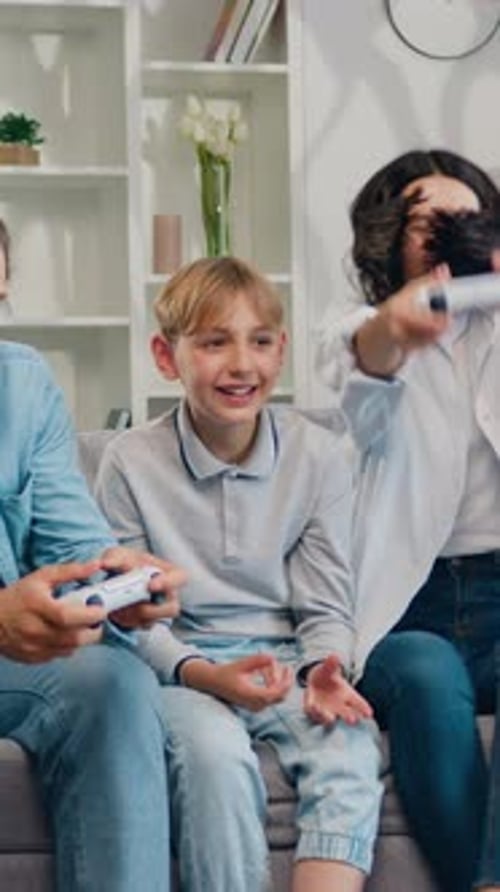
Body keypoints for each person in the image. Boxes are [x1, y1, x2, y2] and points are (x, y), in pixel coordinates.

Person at [95, 256, 383, 892]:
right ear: (166, 357)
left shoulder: (319, 456)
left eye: (259, 341)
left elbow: (326, 604)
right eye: (214, 343)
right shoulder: (129, 462)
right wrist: (204, 673)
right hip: (180, 670)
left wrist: (325, 668)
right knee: (215, 759)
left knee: (350, 751)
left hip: (286, 663)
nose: (241, 364)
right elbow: (128, 618)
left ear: (281, 351)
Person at [315, 148, 500, 892]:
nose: (448, 236)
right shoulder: (358, 330)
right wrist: (398, 326)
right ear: (390, 237)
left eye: (466, 221)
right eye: (430, 223)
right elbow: (365, 371)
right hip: (407, 607)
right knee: (426, 676)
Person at [0, 217, 186, 892]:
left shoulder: (22, 383)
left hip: (11, 659)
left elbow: (71, 539)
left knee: (111, 680)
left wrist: (120, 583)